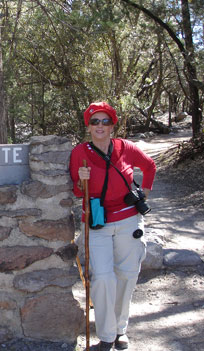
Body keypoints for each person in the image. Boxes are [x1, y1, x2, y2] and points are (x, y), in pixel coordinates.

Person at [69, 102, 156, 351]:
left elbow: (149, 166)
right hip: (98, 222)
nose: (100, 126)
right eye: (95, 121)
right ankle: (106, 336)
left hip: (129, 220)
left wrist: (145, 193)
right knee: (103, 278)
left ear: (112, 125)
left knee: (127, 276)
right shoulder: (80, 153)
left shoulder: (124, 148)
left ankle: (120, 330)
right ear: (88, 126)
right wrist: (80, 181)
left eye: (105, 121)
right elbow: (77, 190)